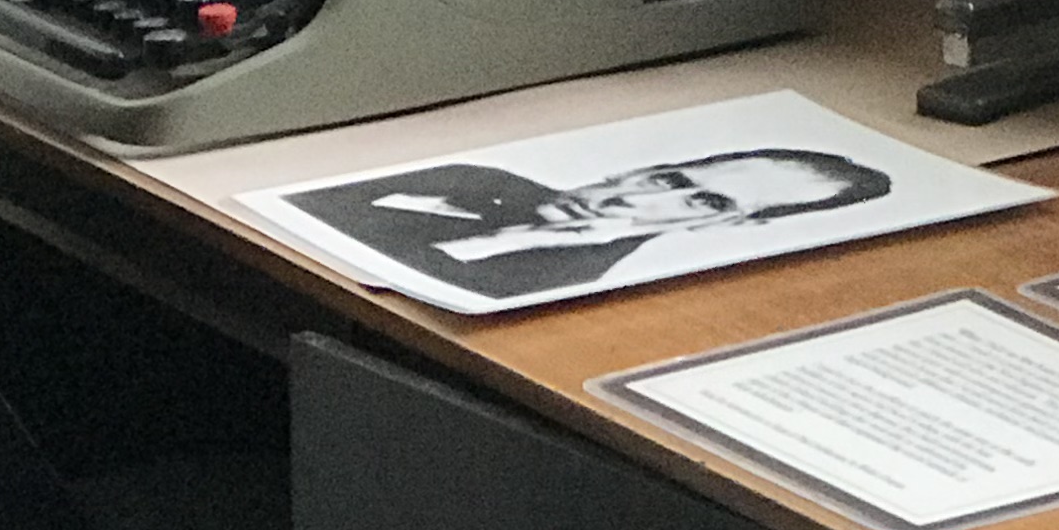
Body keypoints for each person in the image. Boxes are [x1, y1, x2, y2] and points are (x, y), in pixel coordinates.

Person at [290, 147, 894, 302]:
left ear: (736, 226)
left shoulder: (560, 285)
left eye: (704, 204)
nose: (636, 199)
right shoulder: (462, 175)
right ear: (647, 165)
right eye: (669, 179)